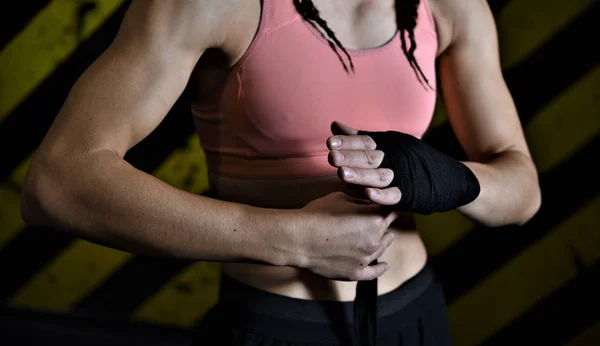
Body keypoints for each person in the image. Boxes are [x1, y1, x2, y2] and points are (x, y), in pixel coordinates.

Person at [20, 0, 541, 345]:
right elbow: (60, 181)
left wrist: (438, 177)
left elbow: (523, 191)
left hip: (417, 317)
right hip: (275, 323)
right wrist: (295, 241)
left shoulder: (449, 6)